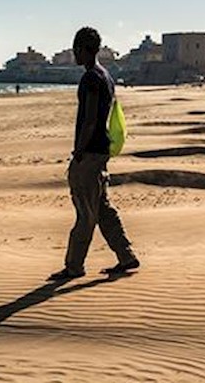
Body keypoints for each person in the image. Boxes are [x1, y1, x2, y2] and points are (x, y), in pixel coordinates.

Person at [49, 27, 140, 281]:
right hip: (101, 151)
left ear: (82, 49)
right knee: (102, 208)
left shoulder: (91, 78)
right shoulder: (107, 76)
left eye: (75, 49)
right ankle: (126, 255)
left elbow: (90, 120)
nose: (74, 54)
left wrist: (78, 151)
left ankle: (74, 266)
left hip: (89, 153)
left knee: (85, 212)